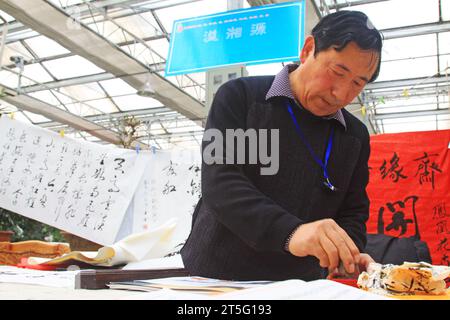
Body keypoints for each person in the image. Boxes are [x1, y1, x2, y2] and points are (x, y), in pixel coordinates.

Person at [181, 10, 383, 281]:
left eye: (358, 83)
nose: (342, 94)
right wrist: (293, 233)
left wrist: (347, 249)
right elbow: (223, 184)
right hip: (216, 275)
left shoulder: (354, 135)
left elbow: (353, 210)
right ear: (309, 49)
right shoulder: (243, 99)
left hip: (300, 284)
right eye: (337, 72)